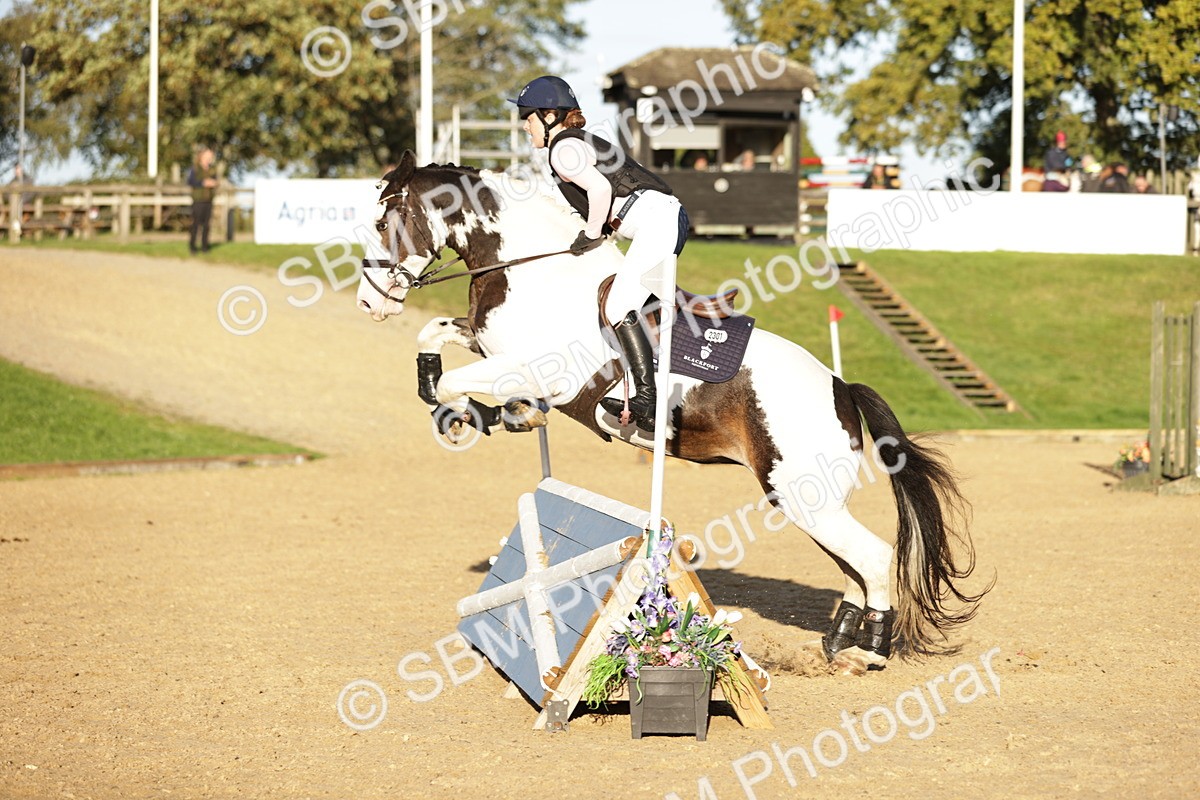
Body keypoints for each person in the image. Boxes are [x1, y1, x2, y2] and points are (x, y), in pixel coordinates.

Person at [509, 75, 688, 433]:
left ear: (548, 116)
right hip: (660, 219)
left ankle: (647, 400)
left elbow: (601, 190)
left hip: (657, 222)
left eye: (528, 118)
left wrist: (591, 235)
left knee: (619, 306)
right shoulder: (570, 144)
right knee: (621, 301)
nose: (525, 126)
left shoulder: (562, 149)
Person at [187, 147, 219, 253]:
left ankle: (205, 246)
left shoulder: (212, 169)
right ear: (202, 156)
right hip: (198, 200)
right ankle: (192, 246)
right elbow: (190, 181)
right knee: (196, 223)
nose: (210, 158)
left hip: (208, 199)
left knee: (206, 225)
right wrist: (203, 183)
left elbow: (216, 181)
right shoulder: (195, 168)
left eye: (211, 156)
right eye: (208, 155)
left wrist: (214, 183)